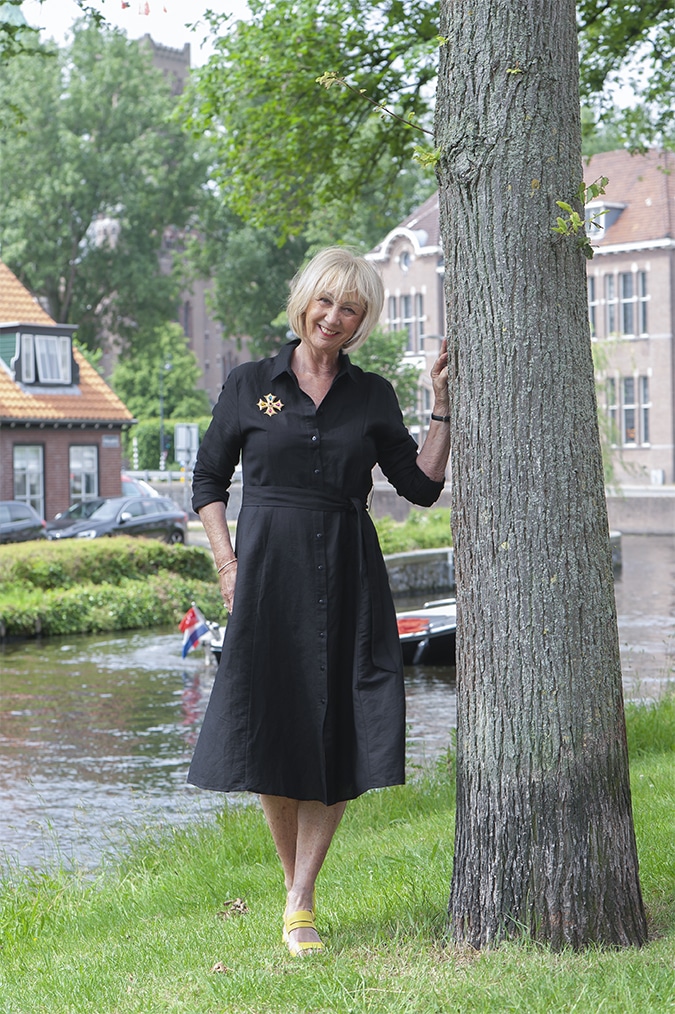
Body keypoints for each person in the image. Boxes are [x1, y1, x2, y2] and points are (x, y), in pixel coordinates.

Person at [188, 247, 451, 956]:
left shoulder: (370, 396)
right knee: (273, 726)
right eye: (326, 303)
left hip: (346, 571)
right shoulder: (248, 384)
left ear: (362, 322)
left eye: (352, 310)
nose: (335, 318)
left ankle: (300, 901)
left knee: (338, 729)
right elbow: (207, 481)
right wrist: (227, 566)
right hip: (265, 575)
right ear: (303, 300)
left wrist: (440, 409)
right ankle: (294, 894)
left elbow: (420, 487)